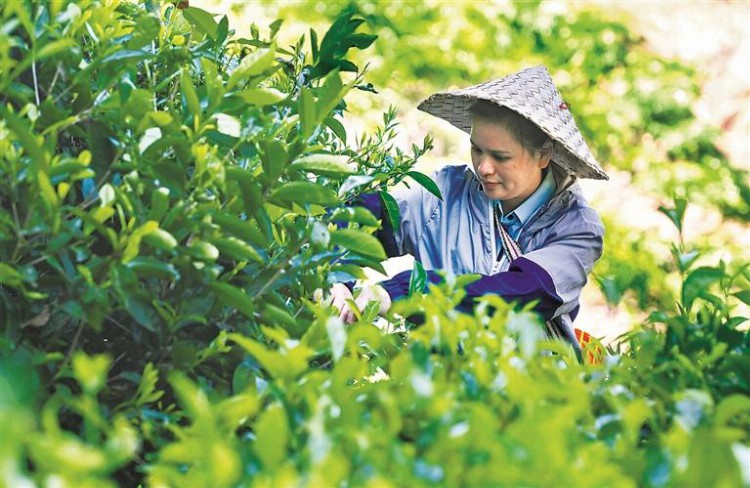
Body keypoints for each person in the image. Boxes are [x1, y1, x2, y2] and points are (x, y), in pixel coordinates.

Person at [328, 65, 607, 353]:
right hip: (441, 379)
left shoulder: (576, 227)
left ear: (543, 155)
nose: (484, 168)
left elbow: (521, 293)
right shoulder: (446, 193)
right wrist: (335, 277)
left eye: (501, 157)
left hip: (528, 387)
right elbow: (361, 219)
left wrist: (406, 292)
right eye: (477, 150)